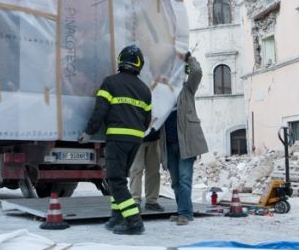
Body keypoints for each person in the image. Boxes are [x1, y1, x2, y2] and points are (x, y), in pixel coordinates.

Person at [78, 45, 152, 235]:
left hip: (117, 139)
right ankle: (117, 216)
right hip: (135, 140)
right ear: (139, 64)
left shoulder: (110, 83)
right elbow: (146, 120)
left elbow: (100, 111)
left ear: (120, 60)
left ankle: (134, 221)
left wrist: (88, 132)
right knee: (119, 179)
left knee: (115, 180)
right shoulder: (144, 90)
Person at [159, 52, 208, 226]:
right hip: (169, 144)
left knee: (185, 179)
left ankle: (186, 214)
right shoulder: (163, 95)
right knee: (176, 182)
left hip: (186, 144)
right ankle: (181, 211)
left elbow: (197, 72)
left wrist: (189, 59)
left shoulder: (187, 89)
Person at [129, 129, 163, 211]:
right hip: (136, 137)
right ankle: (135, 201)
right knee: (136, 170)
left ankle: (151, 201)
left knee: (154, 171)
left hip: (154, 138)